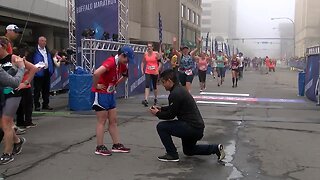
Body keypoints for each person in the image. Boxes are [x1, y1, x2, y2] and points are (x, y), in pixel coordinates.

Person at [149, 69, 225, 162]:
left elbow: (171, 115)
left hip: (191, 127)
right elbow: (174, 108)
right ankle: (216, 148)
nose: (163, 85)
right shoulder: (179, 89)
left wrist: (157, 113)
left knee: (161, 127)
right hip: (197, 127)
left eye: (163, 82)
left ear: (169, 81)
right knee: (189, 150)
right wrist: (161, 108)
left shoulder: (175, 93)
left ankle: (172, 154)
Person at [92, 46, 134, 156]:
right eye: (127, 58)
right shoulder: (110, 62)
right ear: (122, 55)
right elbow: (96, 73)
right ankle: (99, 146)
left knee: (113, 119)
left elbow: (125, 76)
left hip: (110, 93)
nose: (127, 61)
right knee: (102, 120)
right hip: (101, 93)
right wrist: (96, 85)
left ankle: (116, 144)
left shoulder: (122, 64)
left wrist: (115, 84)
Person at [0, 36, 26, 165]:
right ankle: (17, 141)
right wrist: (15, 69)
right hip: (2, 94)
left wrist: (25, 82)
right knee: (3, 124)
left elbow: (32, 69)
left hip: (13, 94)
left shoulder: (13, 58)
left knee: (6, 122)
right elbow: (6, 76)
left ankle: (7, 153)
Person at [32, 36, 55, 111]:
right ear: (38, 41)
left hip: (46, 72)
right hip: (38, 72)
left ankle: (46, 104)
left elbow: (50, 60)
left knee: (46, 89)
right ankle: (36, 105)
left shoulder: (47, 51)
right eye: (42, 41)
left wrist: (51, 69)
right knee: (37, 90)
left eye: (45, 41)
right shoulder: (34, 51)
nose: (43, 42)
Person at [141, 42, 162, 107]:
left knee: (154, 86)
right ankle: (146, 100)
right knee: (147, 85)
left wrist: (158, 69)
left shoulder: (156, 54)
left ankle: (155, 98)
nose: (149, 48)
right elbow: (143, 62)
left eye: (150, 46)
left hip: (155, 72)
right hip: (148, 71)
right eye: (148, 46)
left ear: (152, 47)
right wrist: (142, 69)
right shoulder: (145, 54)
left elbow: (160, 63)